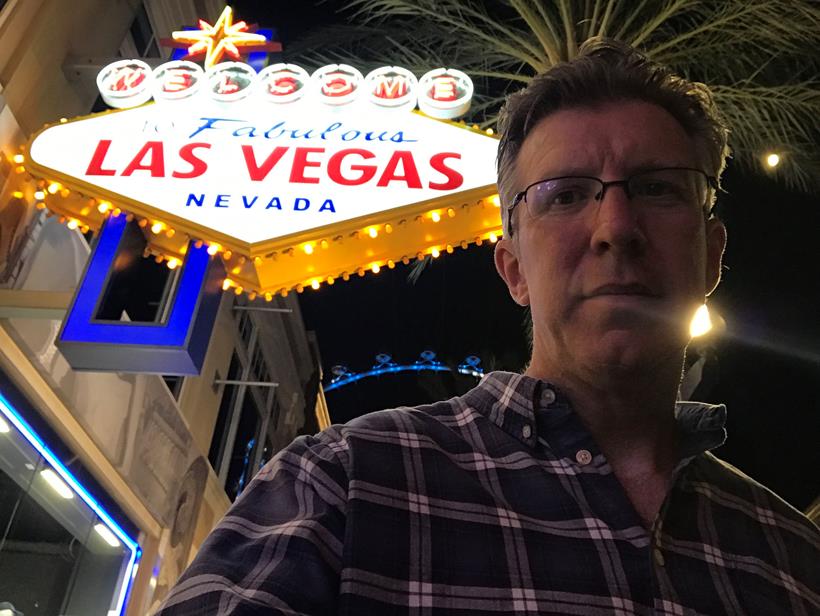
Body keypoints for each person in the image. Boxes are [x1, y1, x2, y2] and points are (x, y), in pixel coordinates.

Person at [156, 38, 819, 615]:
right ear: (514, 270)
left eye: (657, 188)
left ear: (711, 253)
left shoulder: (791, 557)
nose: (616, 229)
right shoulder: (343, 486)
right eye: (564, 195)